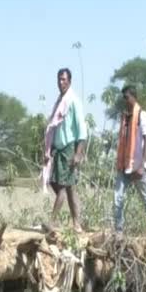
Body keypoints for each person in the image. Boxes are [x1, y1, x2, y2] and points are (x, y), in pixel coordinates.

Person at [43, 68, 88, 232]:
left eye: (64, 79)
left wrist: (78, 153)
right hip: (58, 149)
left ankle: (52, 221)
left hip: (69, 149)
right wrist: (49, 150)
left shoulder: (73, 101)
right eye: (59, 79)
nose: (61, 82)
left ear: (70, 81)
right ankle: (77, 223)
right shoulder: (59, 101)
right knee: (67, 187)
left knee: (62, 186)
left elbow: (81, 130)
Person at [113, 86, 146, 234]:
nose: (125, 100)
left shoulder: (142, 115)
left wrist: (142, 165)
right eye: (124, 98)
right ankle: (119, 230)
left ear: (133, 97)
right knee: (117, 198)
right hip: (124, 166)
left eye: (127, 97)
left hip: (137, 165)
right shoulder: (125, 117)